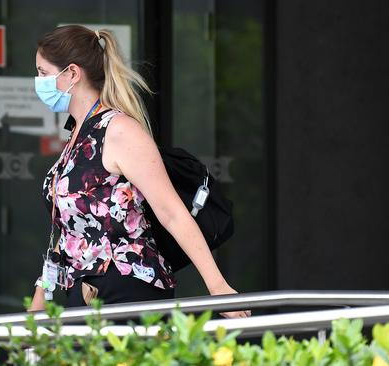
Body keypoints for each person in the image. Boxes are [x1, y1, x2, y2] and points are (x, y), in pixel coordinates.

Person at [29, 25, 250, 318]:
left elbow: (170, 211)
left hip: (126, 288)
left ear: (72, 73)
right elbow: (68, 230)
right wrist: (37, 303)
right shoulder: (78, 136)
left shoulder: (119, 130)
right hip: (81, 293)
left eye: (43, 73)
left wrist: (218, 287)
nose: (38, 82)